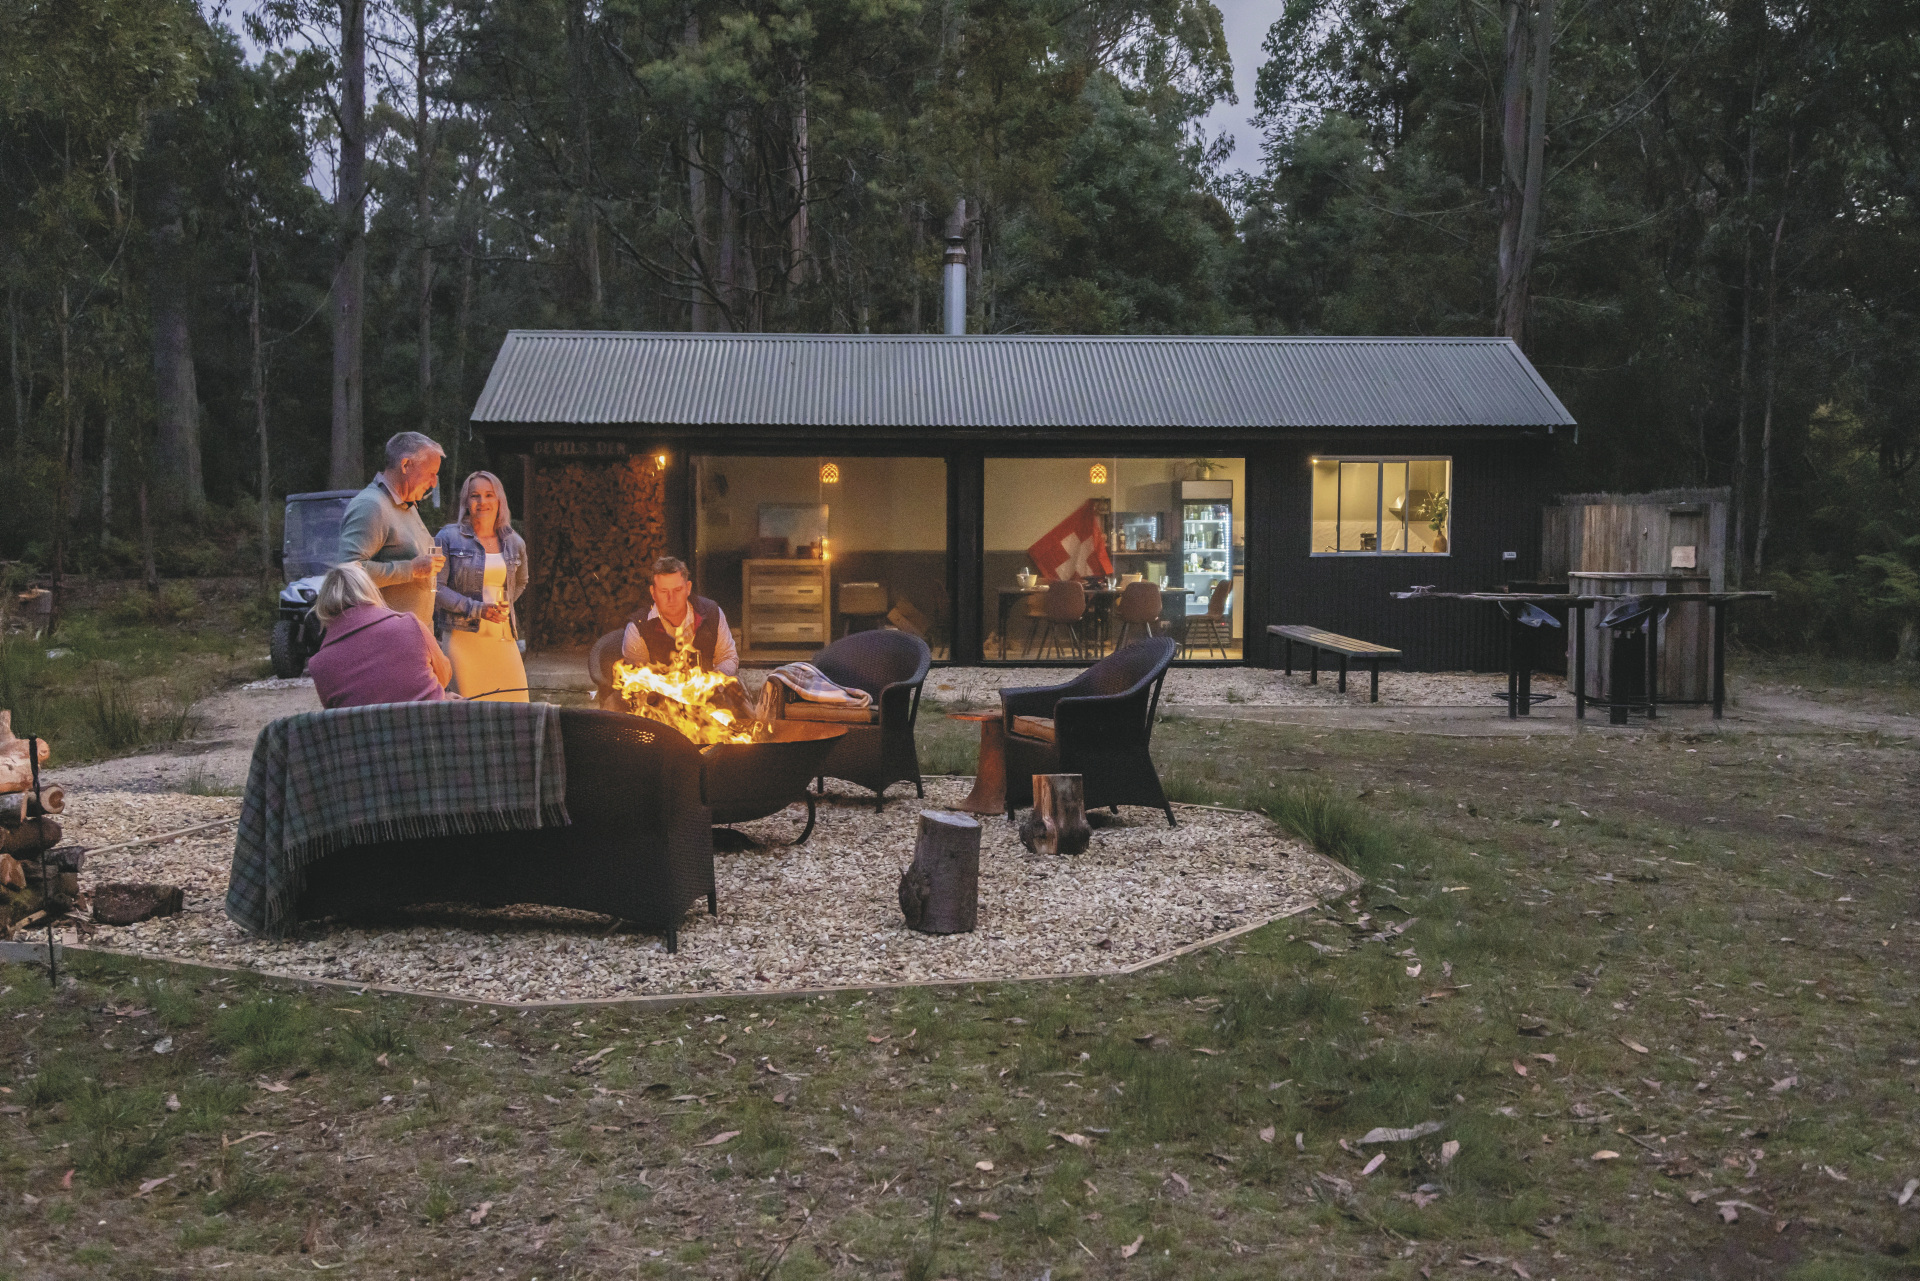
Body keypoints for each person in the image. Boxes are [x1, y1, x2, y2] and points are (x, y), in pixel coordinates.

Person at [434, 471, 530, 702]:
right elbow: (436, 588)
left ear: (499, 500)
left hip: (503, 638)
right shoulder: (446, 537)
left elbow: (522, 581)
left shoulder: (514, 542)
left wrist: (502, 606)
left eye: (489, 495)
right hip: (461, 639)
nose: (482, 501)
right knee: (469, 709)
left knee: (515, 705)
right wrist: (477, 609)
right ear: (465, 501)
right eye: (474, 495)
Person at [305, 562, 453, 709]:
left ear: (323, 604)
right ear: (369, 591)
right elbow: (444, 676)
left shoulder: (319, 665)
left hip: (366, 726)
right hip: (428, 721)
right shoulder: (411, 626)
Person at [339, 431, 445, 627]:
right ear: (405, 465)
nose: (434, 483)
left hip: (412, 636)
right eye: (431, 473)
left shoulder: (407, 504)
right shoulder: (371, 505)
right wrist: (411, 569)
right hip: (384, 638)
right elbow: (348, 574)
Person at [621, 556, 739, 675]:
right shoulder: (638, 627)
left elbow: (728, 657)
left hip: (708, 685)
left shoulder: (712, 613)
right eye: (664, 591)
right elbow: (637, 677)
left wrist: (715, 679)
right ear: (653, 593)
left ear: (688, 588)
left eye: (677, 590)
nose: (671, 598)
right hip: (658, 687)